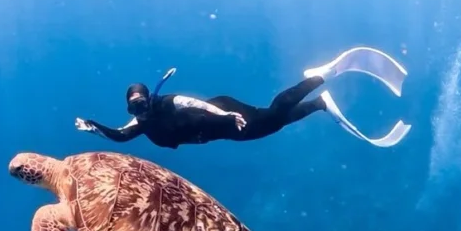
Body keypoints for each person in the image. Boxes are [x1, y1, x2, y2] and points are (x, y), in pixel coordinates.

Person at [75, 47, 411, 151]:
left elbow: (198, 106)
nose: (140, 109)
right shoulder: (138, 123)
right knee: (272, 124)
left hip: (223, 113)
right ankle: (319, 104)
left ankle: (322, 75)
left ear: (150, 97)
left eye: (142, 102)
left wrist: (224, 118)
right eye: (134, 107)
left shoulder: (169, 102)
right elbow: (118, 135)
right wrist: (92, 127)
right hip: (223, 127)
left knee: (273, 115)